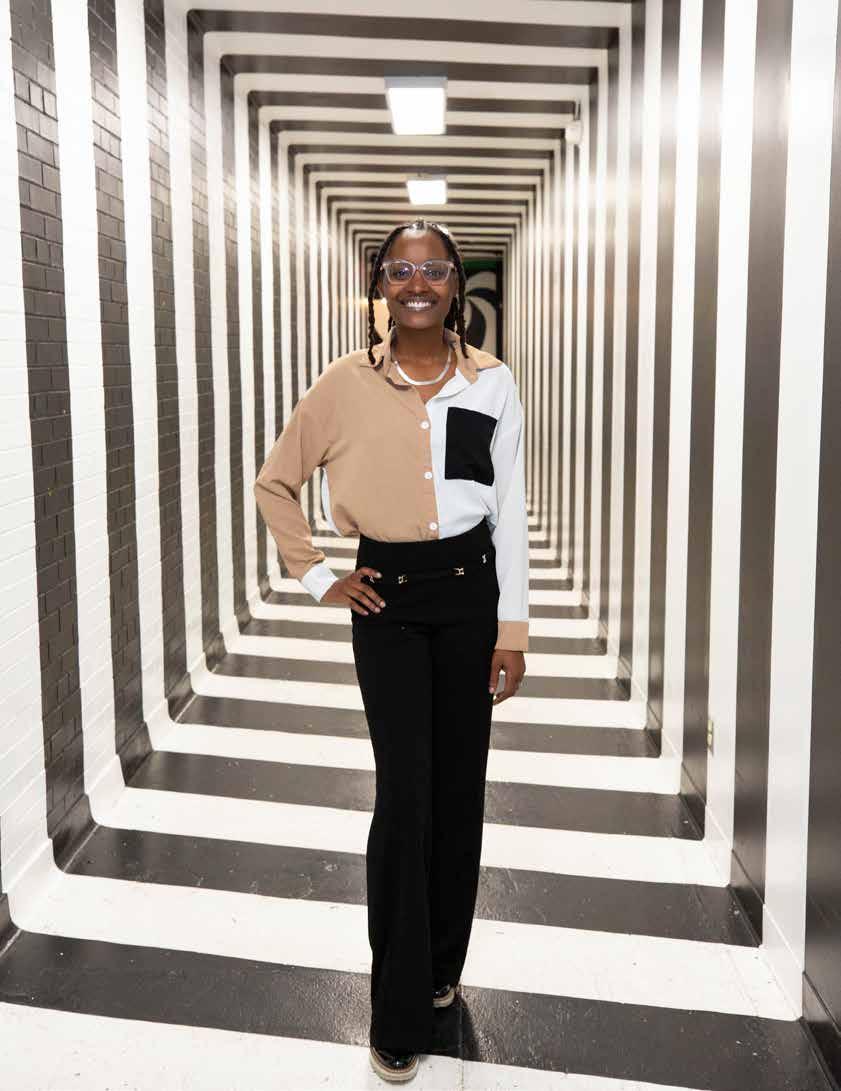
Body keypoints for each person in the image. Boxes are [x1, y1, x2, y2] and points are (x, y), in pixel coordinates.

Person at [253, 218, 529, 1083]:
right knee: (404, 798)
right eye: (401, 270)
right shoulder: (342, 384)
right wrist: (318, 576)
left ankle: (443, 965)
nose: (417, 284)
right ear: (379, 283)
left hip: (470, 597)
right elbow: (275, 482)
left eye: (434, 269)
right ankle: (397, 1008)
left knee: (459, 791)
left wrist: (513, 629)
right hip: (388, 603)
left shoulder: (491, 383)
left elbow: (507, 513)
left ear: (454, 285)